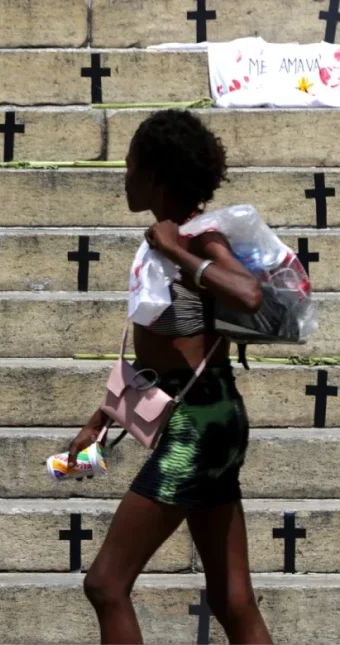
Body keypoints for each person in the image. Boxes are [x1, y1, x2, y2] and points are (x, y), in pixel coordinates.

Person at [67, 110, 274, 645]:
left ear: (157, 174)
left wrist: (176, 250)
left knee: (106, 584)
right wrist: (102, 418)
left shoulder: (199, 235)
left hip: (200, 425)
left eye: (132, 166)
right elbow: (165, 355)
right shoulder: (164, 239)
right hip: (209, 414)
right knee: (231, 599)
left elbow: (249, 295)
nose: (125, 177)